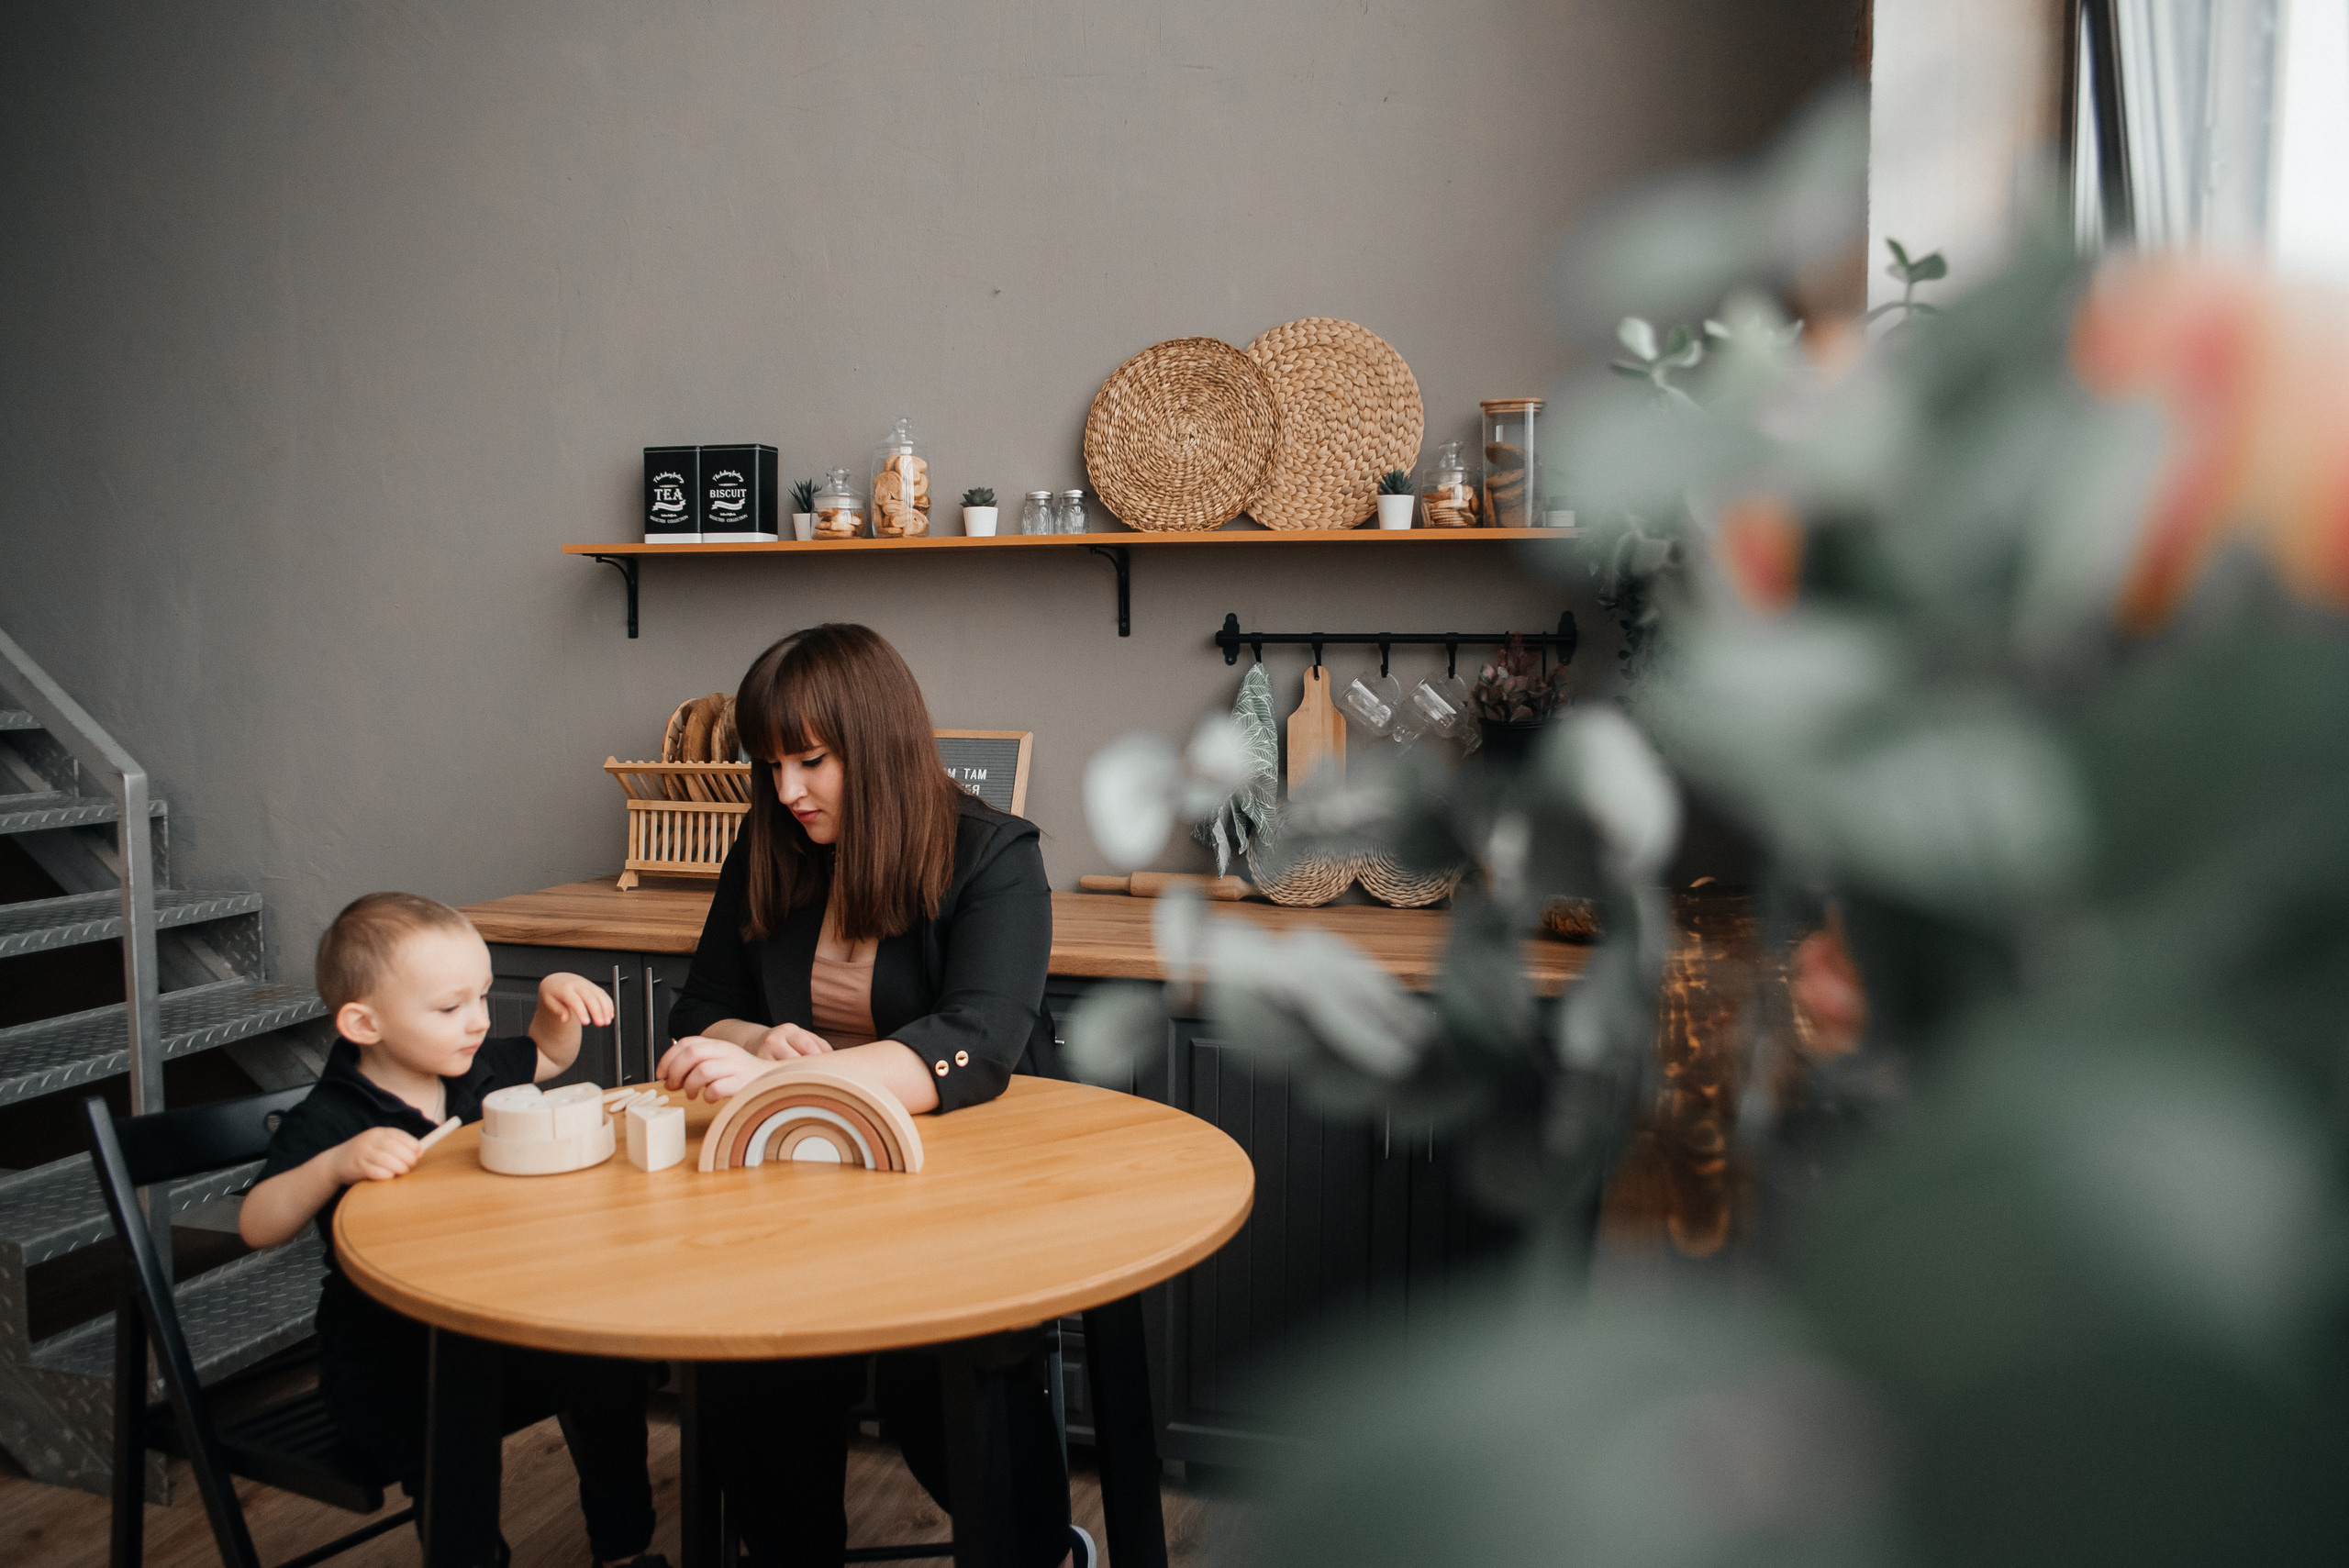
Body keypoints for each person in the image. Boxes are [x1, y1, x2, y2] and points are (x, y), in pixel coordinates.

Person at [660, 623, 1089, 1568]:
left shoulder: (993, 854)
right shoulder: (770, 840)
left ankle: (1039, 1547)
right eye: (770, 764)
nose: (786, 792)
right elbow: (700, 1010)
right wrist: (752, 1038)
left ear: (879, 743)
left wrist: (785, 1076)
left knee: (934, 1381)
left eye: (810, 760)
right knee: (757, 1374)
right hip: (801, 1182)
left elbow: (974, 1045)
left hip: (960, 1189)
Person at [240, 892, 665, 1568]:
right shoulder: (335, 1115)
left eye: (484, 997)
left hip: (490, 1332)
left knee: (603, 1366)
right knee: (457, 1418)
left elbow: (547, 1057)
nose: (477, 1021)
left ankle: (625, 1547)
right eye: (450, 1007)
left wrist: (556, 1004)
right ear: (363, 1022)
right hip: (391, 1366)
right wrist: (332, 1165)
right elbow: (258, 1222)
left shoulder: (470, 1071)